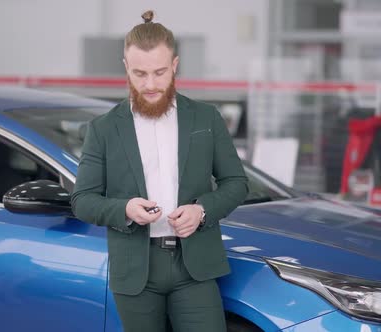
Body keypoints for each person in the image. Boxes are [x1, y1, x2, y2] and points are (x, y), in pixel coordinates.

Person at [71, 10, 248, 332]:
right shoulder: (104, 128)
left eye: (159, 72)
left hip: (195, 267)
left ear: (175, 66)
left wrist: (202, 210)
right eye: (139, 74)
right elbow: (82, 200)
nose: (150, 84)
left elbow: (236, 182)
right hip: (135, 270)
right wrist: (124, 208)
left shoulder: (206, 118)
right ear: (125, 67)